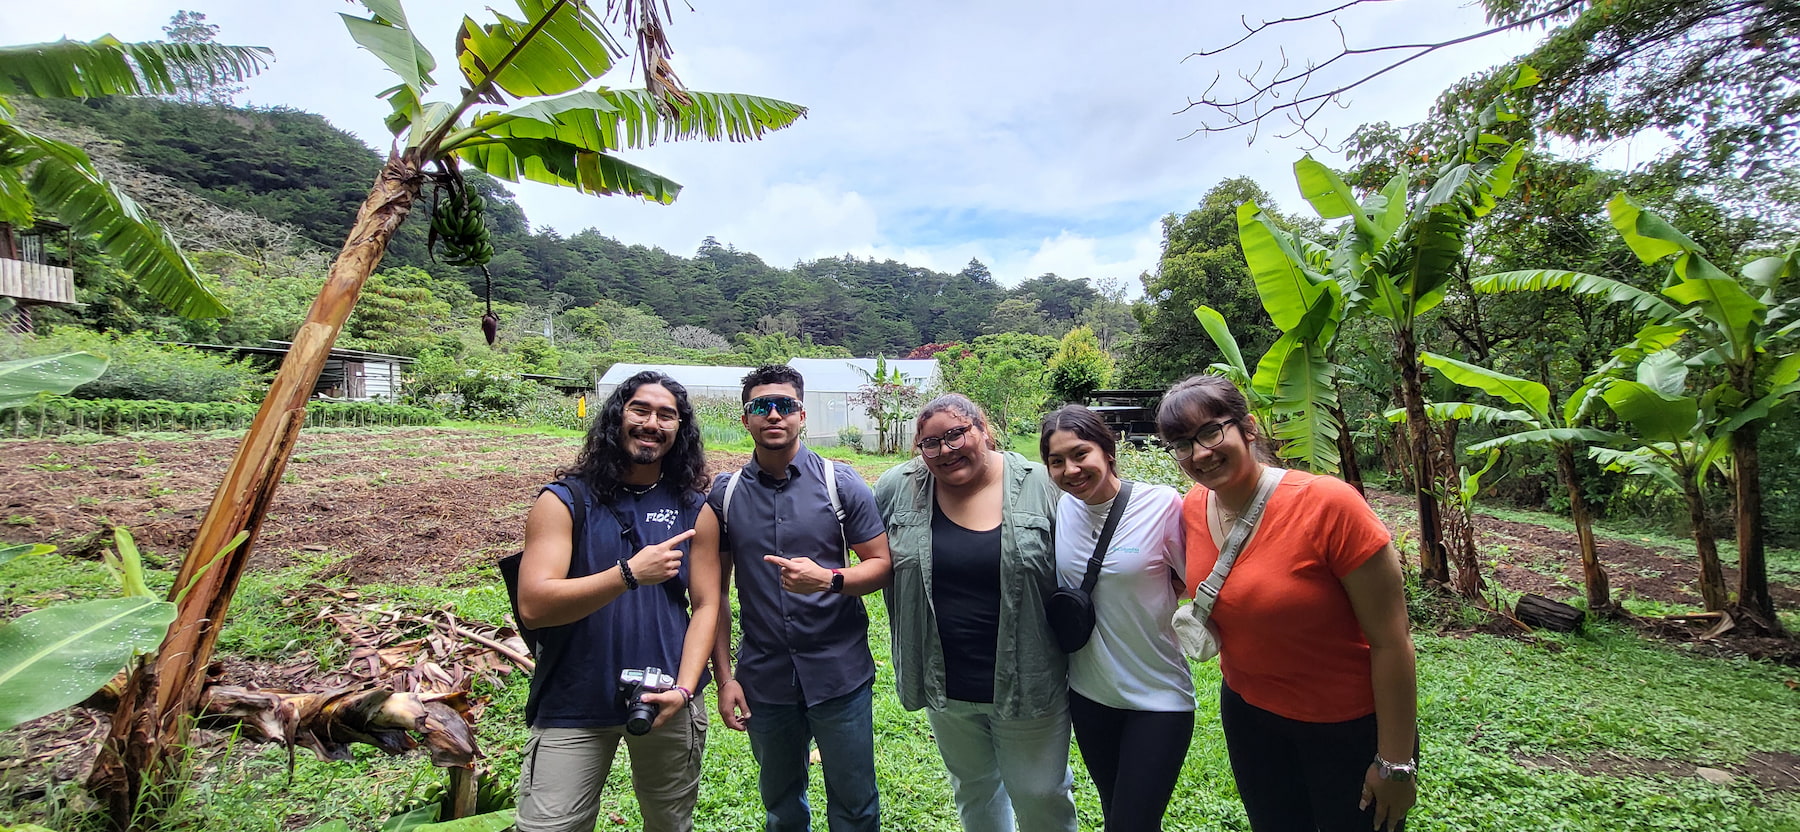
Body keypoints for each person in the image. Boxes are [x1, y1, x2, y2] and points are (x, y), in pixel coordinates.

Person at [1158, 375, 1418, 832]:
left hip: (1345, 726)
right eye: (1181, 443)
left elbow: (1392, 641)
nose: (1198, 453)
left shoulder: (1327, 504)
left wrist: (1396, 763)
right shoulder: (1193, 507)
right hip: (1249, 714)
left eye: (1211, 432)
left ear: (1248, 429)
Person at [513, 370, 723, 832]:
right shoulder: (565, 500)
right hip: (573, 699)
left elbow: (708, 604)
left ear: (679, 430)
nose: (652, 423)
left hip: (667, 693)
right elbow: (534, 603)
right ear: (616, 417)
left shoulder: (694, 507)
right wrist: (629, 573)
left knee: (669, 822)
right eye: (640, 409)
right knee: (550, 825)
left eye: (666, 415)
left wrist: (685, 690)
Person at [700, 364, 893, 832]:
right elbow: (714, 599)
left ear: (801, 414)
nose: (773, 414)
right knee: (782, 803)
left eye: (784, 405)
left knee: (855, 802)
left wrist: (829, 579)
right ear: (745, 418)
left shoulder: (841, 483)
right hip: (764, 680)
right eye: (760, 407)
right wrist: (725, 677)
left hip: (839, 674)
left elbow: (882, 565)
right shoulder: (724, 497)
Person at [873, 393, 1078, 832]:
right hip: (944, 681)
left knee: (1041, 795)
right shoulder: (896, 488)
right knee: (974, 790)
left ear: (983, 430)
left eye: (956, 434)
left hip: (1029, 678)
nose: (945, 450)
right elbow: (870, 556)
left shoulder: (1043, 485)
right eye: (931, 443)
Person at [1039, 405, 1194, 831]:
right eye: (1056, 461)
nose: (1070, 469)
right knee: (1116, 813)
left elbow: (1195, 581)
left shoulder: (1161, 505)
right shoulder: (1061, 512)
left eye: (1080, 453)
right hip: (1090, 697)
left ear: (1107, 450)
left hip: (1158, 697)